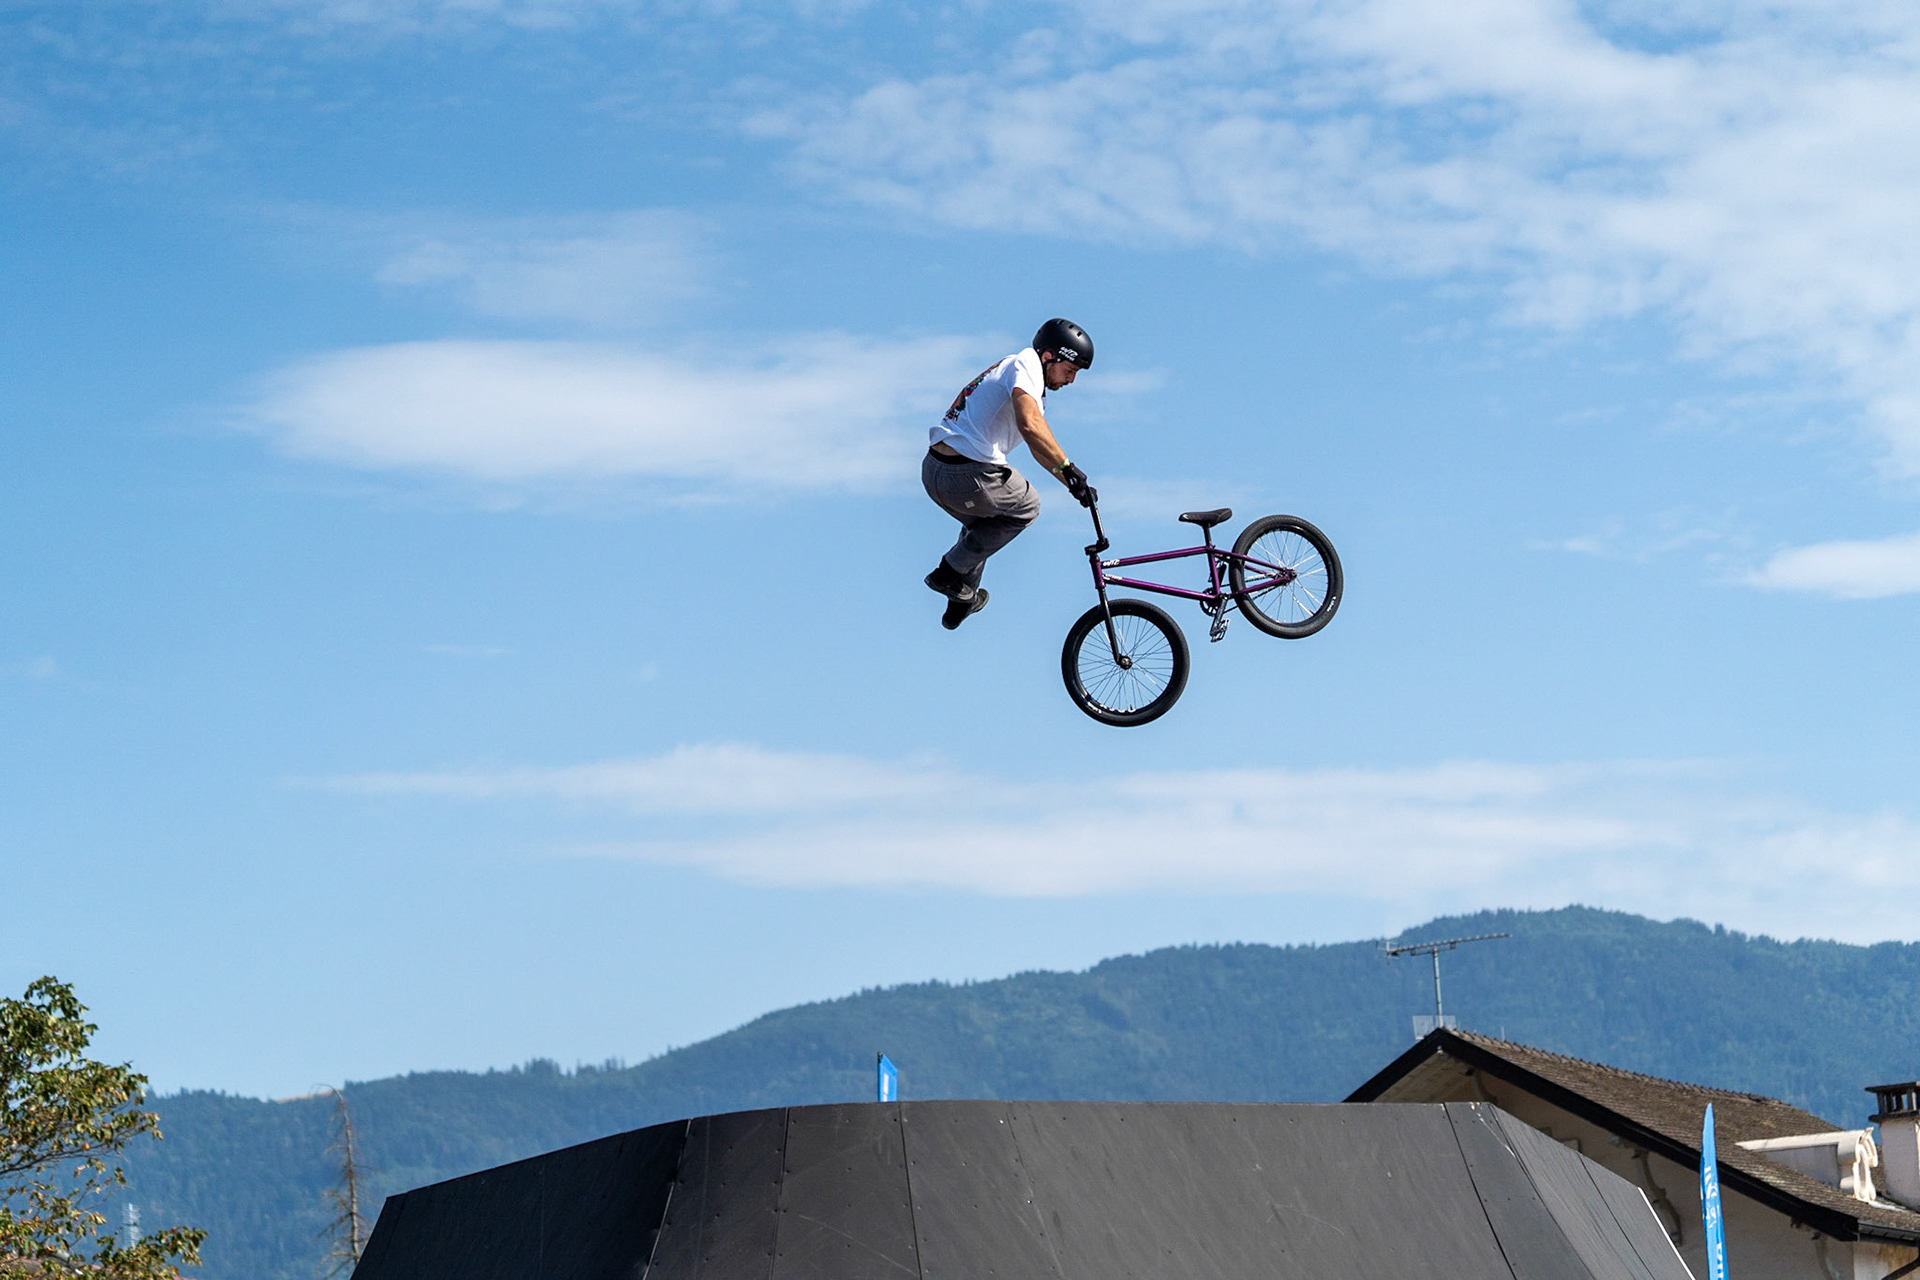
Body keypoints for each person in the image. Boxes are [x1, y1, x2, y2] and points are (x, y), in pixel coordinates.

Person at [922, 318, 1098, 629]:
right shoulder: (1026, 363)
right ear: (1049, 357)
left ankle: (961, 599)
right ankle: (948, 572)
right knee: (1027, 504)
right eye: (1070, 370)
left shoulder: (1015, 374)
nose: (1071, 380)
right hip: (967, 473)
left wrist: (1071, 483)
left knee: (986, 527)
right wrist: (1068, 467)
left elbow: (1036, 444)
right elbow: (1030, 426)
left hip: (936, 471)